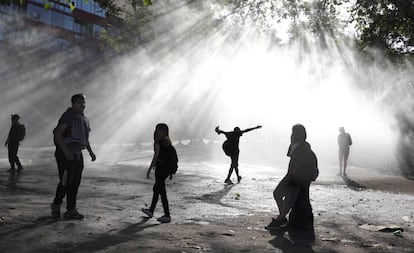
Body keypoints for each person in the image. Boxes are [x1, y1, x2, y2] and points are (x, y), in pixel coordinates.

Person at [50, 94, 96, 219]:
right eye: (80, 102)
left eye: (84, 102)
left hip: (77, 154)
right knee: (65, 182)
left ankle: (71, 209)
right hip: (65, 155)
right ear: (73, 103)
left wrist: (90, 152)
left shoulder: (82, 119)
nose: (83, 105)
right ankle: (56, 204)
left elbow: (85, 138)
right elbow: (58, 134)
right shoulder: (68, 117)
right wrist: (66, 152)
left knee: (75, 183)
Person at [266, 124, 318, 230]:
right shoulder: (298, 147)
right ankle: (282, 218)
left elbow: (298, 167)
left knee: (288, 199)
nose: (291, 136)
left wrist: (290, 179)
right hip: (294, 176)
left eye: (293, 134)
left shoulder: (302, 149)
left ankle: (280, 220)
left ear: (296, 135)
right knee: (278, 194)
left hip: (298, 178)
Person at [142, 123, 178, 223]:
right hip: (165, 169)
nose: (155, 132)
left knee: (161, 192)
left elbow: (156, 157)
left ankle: (167, 215)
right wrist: (170, 172)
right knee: (157, 190)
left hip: (161, 169)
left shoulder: (158, 143)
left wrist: (149, 170)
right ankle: (151, 210)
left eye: (157, 130)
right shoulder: (167, 143)